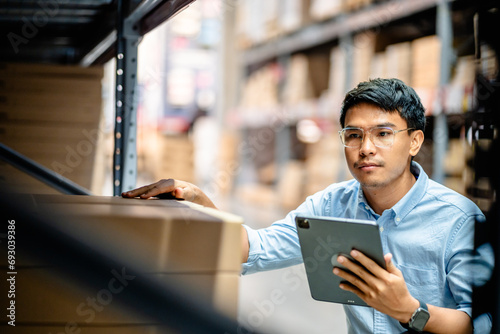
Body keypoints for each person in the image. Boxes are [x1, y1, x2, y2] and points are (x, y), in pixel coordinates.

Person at [122, 78, 494, 333]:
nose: (365, 148)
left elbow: (477, 323)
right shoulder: (331, 204)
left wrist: (410, 311)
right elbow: (253, 250)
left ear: (414, 141)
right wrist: (199, 202)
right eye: (353, 136)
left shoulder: (460, 221)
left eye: (383, 134)